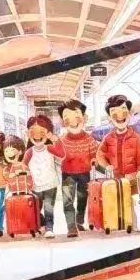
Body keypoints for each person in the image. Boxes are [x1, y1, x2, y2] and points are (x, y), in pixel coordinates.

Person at [59, 99, 97, 237]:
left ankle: (79, 222)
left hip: (84, 173)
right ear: (63, 122)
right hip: (67, 174)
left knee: (83, 199)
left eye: (76, 116)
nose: (72, 121)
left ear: (84, 118)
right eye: (67, 117)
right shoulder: (62, 140)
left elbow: (95, 154)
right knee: (67, 200)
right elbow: (56, 154)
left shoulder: (90, 140)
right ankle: (71, 227)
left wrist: (94, 159)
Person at [24, 115, 65, 238]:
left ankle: (49, 228)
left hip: (50, 184)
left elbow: (61, 154)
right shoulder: (29, 152)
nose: (37, 135)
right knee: (36, 208)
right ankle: (38, 223)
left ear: (48, 133)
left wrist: (55, 140)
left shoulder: (50, 148)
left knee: (48, 207)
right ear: (28, 134)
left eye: (42, 131)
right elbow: (23, 166)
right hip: (35, 186)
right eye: (33, 131)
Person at [96, 95, 140, 181]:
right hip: (115, 178)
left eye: (123, 109)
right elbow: (100, 153)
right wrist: (106, 165)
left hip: (132, 178)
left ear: (130, 113)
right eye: (114, 111)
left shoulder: (137, 138)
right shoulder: (108, 138)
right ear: (109, 117)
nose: (119, 115)